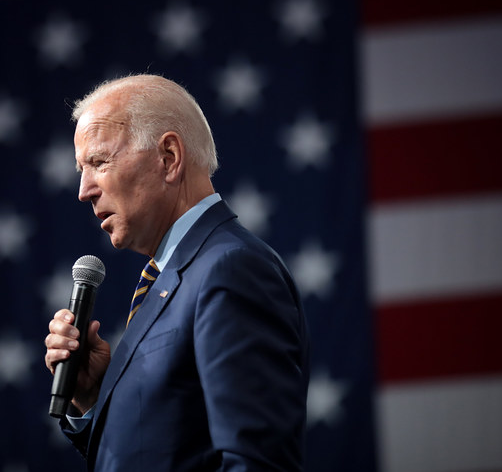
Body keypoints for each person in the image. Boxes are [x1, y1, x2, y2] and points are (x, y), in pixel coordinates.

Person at [44, 74, 309, 471]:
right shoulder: (174, 274)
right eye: (83, 169)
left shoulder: (230, 269)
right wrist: (99, 397)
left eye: (99, 162)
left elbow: (254, 463)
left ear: (168, 158)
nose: (84, 190)